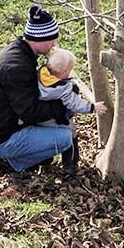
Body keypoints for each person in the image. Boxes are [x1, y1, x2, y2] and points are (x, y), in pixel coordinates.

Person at [0, 6, 73, 175]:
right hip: (0, 138)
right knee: (65, 137)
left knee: (57, 126)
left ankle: (16, 156)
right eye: (52, 39)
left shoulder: (19, 52)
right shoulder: (18, 67)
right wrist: (63, 107)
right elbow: (30, 112)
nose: (53, 44)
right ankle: (12, 162)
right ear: (41, 38)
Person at [36, 46, 108, 181]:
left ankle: (44, 161)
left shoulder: (41, 73)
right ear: (62, 72)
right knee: (71, 132)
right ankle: (70, 165)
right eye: (70, 70)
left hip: (37, 116)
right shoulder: (62, 88)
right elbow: (74, 103)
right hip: (54, 118)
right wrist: (92, 107)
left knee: (44, 137)